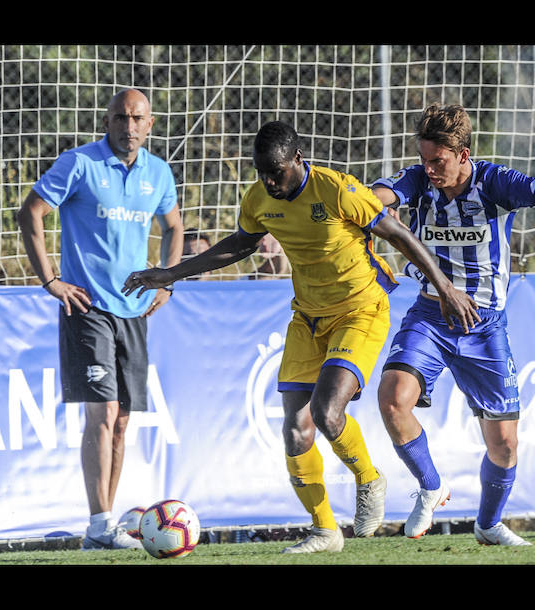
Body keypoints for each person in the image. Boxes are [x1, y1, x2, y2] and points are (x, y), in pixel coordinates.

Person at [122, 120, 480, 553]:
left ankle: (369, 478)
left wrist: (445, 289)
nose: (270, 181)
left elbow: (400, 236)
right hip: (308, 318)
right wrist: (171, 273)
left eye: (276, 171)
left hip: (360, 310)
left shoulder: (337, 190)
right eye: (262, 173)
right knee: (296, 429)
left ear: (297, 159)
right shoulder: (259, 198)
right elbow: (240, 245)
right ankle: (325, 531)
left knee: (328, 413)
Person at [372, 103, 535, 546]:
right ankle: (431, 486)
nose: (429, 169)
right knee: (392, 399)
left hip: (485, 327)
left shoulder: (492, 181)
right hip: (431, 315)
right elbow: (382, 194)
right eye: (425, 159)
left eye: (439, 161)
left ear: (463, 155)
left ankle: (487, 526)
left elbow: (534, 190)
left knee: (505, 444)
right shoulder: (417, 181)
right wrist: (373, 202)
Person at [18, 88, 184, 550]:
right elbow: (30, 211)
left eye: (137, 118)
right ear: (106, 121)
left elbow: (174, 227)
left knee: (124, 419)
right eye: (119, 117)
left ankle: (103, 529)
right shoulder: (78, 163)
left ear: (149, 124)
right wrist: (51, 280)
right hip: (87, 308)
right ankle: (98, 523)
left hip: (134, 310)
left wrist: (166, 281)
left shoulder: (159, 173)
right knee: (104, 413)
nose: (128, 127)